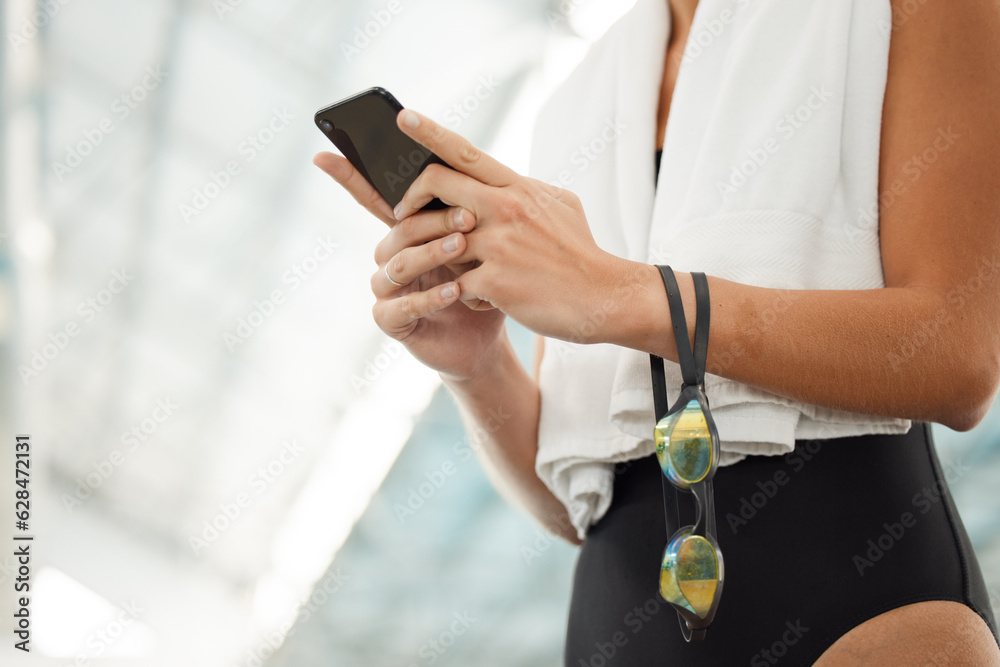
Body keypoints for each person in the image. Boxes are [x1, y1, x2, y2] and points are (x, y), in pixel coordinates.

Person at [314, 0, 1000, 663]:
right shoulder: (580, 101)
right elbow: (571, 499)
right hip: (614, 627)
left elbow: (956, 356)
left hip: (864, 610)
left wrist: (626, 293)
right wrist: (476, 365)